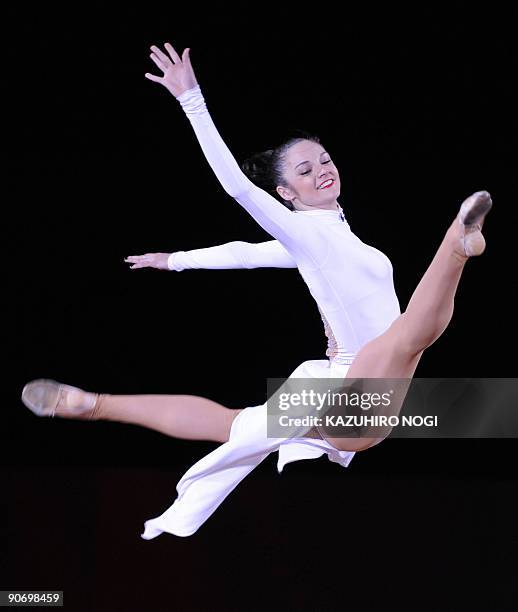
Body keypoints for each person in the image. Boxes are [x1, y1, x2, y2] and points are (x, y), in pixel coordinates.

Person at [21, 42, 492, 538]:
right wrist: (192, 100)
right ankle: (456, 244)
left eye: (324, 159)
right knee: (403, 340)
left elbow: (241, 252)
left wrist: (175, 261)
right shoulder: (302, 230)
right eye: (304, 171)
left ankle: (91, 405)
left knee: (232, 424)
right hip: (354, 392)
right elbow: (238, 191)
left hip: (338, 393)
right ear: (286, 193)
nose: (321, 170)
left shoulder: (325, 239)